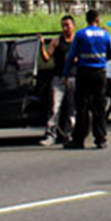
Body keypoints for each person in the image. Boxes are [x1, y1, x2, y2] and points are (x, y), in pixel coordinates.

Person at [63, 10, 111, 150]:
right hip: (99, 73)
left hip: (83, 73)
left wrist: (65, 74)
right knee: (99, 107)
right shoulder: (105, 35)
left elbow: (71, 55)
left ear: (86, 20)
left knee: (81, 107)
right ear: (98, 20)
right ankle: (100, 139)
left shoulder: (80, 34)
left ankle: (79, 139)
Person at [39, 15, 77, 146]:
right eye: (63, 26)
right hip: (59, 78)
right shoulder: (56, 41)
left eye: (67, 25)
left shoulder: (78, 41)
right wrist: (41, 45)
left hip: (73, 77)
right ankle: (51, 135)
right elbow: (46, 58)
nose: (65, 28)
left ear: (74, 26)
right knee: (54, 108)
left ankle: (71, 134)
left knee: (72, 108)